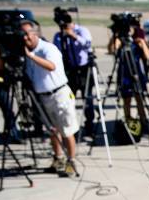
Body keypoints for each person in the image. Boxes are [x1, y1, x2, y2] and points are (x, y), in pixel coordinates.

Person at [21, 20, 78, 176]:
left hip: (59, 94)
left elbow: (51, 66)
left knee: (67, 130)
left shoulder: (47, 49)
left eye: (28, 34)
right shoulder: (27, 51)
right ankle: (58, 157)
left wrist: (31, 56)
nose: (25, 38)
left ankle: (71, 161)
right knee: (53, 131)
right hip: (43, 97)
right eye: (23, 35)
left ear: (36, 33)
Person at [53, 11, 95, 138]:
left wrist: (74, 36)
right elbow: (56, 51)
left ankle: (90, 125)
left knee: (87, 98)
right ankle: (73, 128)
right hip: (70, 71)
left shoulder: (81, 31)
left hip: (84, 69)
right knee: (69, 100)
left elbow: (88, 44)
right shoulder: (59, 35)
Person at [108, 25, 149, 124]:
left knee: (139, 97)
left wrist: (142, 42)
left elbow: (147, 56)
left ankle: (143, 120)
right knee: (126, 100)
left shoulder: (137, 42)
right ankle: (128, 120)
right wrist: (115, 38)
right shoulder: (120, 42)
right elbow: (111, 50)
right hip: (124, 73)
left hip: (136, 72)